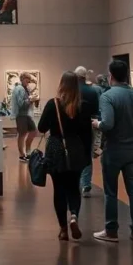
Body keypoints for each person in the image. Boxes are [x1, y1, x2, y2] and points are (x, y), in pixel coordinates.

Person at [93, 60, 133, 243]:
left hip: (114, 150)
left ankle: (111, 231)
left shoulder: (108, 96)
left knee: (111, 191)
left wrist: (97, 124)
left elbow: (107, 124)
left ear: (110, 75)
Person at [38, 72, 93, 241]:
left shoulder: (53, 104)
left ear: (61, 85)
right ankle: (74, 216)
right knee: (74, 187)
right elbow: (87, 134)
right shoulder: (83, 106)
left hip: (56, 150)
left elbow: (41, 127)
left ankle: (63, 229)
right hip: (76, 149)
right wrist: (87, 156)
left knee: (59, 189)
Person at [75, 66, 101, 197]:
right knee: (87, 155)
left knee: (74, 154)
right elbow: (96, 110)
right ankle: (86, 183)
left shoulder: (72, 90)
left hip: (73, 127)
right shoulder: (92, 91)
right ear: (85, 76)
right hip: (88, 126)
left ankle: (76, 182)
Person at [11, 73, 35, 161]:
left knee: (33, 131)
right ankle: (22, 155)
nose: (28, 81)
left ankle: (28, 151)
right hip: (21, 115)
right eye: (26, 79)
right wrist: (30, 100)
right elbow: (21, 104)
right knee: (22, 134)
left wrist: (32, 100)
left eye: (29, 79)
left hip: (26, 114)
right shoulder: (19, 89)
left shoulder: (25, 89)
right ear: (22, 79)